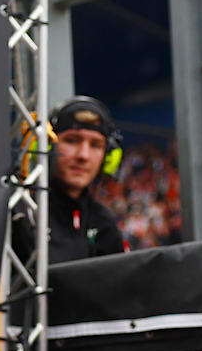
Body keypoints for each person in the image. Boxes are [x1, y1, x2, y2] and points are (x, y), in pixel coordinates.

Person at [15, 95, 127, 265]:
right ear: (46, 145)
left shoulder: (105, 225)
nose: (83, 155)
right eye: (72, 141)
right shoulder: (21, 211)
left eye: (95, 145)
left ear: (108, 157)